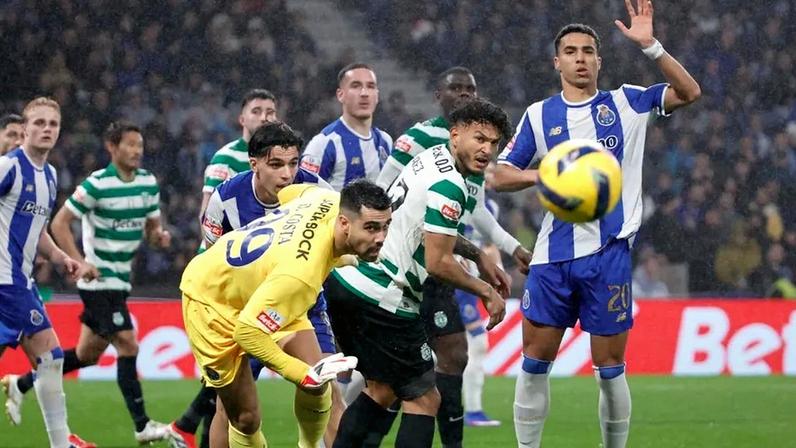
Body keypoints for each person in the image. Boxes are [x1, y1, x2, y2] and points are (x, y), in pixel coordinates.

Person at [490, 2, 701, 447]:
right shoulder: (539, 115)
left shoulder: (627, 101)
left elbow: (688, 92)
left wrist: (651, 47)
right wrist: (546, 172)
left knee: (609, 372)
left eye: (588, 51)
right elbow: (498, 173)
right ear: (557, 61)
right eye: (571, 51)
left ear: (599, 61)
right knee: (534, 363)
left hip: (609, 256)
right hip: (551, 258)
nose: (580, 58)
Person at [326, 98, 511, 448]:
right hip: (386, 296)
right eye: (479, 138)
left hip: (353, 283)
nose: (486, 149)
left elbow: (428, 226)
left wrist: (479, 256)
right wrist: (486, 291)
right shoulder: (452, 186)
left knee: (381, 391)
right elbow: (437, 263)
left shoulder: (430, 158)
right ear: (456, 135)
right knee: (425, 399)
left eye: (493, 143)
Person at [375, 66, 532, 444]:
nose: (463, 93)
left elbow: (471, 208)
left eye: (470, 88)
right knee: (392, 386)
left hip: (438, 263)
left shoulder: (471, 151)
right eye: (455, 88)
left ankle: (452, 442)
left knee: (453, 356)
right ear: (438, 96)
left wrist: (503, 249)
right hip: (402, 269)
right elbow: (383, 193)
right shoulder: (419, 140)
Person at [181, 180, 392, 448]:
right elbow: (246, 332)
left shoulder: (324, 197)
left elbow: (289, 193)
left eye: (386, 226)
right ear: (344, 223)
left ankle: (309, 445)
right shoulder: (300, 277)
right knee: (244, 419)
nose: (381, 237)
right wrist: (300, 373)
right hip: (210, 299)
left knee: (320, 383)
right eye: (371, 228)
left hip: (267, 288)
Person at [168, 121, 340, 448]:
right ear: (254, 164)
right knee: (235, 414)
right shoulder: (226, 198)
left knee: (326, 386)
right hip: (239, 313)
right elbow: (211, 258)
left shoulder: (316, 191)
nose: (287, 174)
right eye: (276, 165)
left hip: (299, 304)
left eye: (293, 163)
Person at [4, 121, 172, 443]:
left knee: (86, 354)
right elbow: (60, 221)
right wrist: (79, 261)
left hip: (121, 281)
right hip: (98, 282)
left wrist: (159, 238)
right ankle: (142, 426)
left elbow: (152, 230)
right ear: (112, 147)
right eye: (130, 144)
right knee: (128, 343)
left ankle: (20, 383)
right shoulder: (97, 184)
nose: (137, 151)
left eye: (140, 145)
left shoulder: (149, 183)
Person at [0, 98, 94, 448]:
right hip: (6, 282)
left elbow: (37, 228)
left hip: (20, 282)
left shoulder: (50, 176)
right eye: (38, 123)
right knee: (51, 357)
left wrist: (59, 257)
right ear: (24, 130)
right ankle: (60, 443)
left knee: (50, 360)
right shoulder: (9, 167)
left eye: (52, 124)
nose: (46, 129)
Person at [300, 62, 393, 190]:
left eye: (370, 86)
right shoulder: (324, 143)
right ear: (340, 95)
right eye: (356, 86)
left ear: (377, 95)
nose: (364, 93)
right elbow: (304, 194)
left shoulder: (385, 141)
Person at [200, 89, 278, 220]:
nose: (264, 118)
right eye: (256, 112)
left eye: (270, 113)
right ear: (242, 120)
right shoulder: (226, 158)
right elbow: (208, 216)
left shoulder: (284, 158)